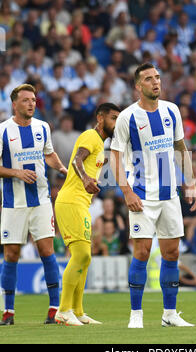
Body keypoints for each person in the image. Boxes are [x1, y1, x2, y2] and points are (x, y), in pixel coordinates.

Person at [110, 63, 196, 328]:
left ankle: (169, 314)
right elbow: (114, 156)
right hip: (141, 195)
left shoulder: (172, 110)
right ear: (138, 86)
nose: (155, 82)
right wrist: (126, 191)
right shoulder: (127, 117)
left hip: (169, 194)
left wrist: (191, 182)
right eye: (149, 79)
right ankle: (135, 314)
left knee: (171, 253)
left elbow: (180, 146)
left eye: (158, 77)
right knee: (143, 251)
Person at [0, 84, 68, 325]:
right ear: (15, 104)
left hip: (41, 200)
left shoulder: (42, 127)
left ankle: (54, 310)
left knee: (47, 251)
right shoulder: (3, 131)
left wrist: (60, 166)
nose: (31, 103)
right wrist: (16, 173)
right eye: (26, 100)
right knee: (11, 254)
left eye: (33, 100)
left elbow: (48, 153)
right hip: (13, 203)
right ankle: (8, 312)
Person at [54, 102, 120, 326]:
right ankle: (63, 310)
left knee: (85, 257)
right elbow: (76, 160)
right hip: (71, 201)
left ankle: (78, 311)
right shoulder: (90, 136)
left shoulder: (101, 145)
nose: (116, 122)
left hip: (81, 203)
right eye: (113, 118)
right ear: (100, 118)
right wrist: (85, 178)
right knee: (81, 255)